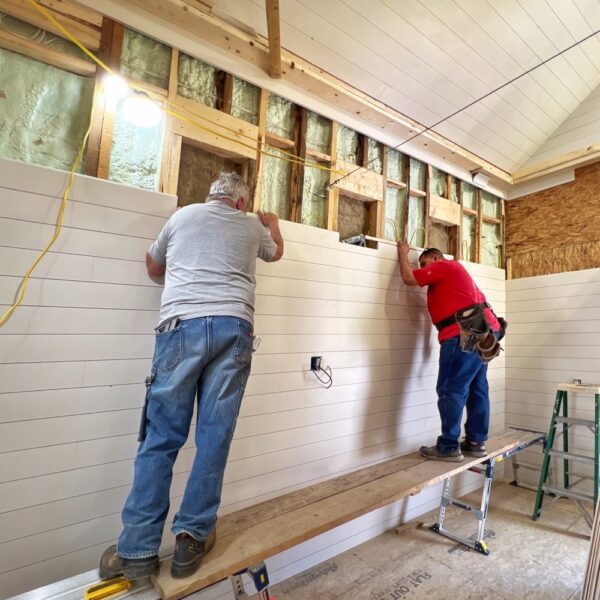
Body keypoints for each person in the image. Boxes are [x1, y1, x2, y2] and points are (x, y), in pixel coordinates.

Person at [99, 172, 284, 580]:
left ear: (211, 195)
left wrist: (186, 273)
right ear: (240, 202)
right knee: (214, 437)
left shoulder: (182, 217)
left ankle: (137, 551)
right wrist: (271, 221)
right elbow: (276, 253)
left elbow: (153, 267)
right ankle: (192, 540)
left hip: (180, 327)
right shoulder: (252, 224)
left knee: (161, 438)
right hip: (234, 329)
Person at [397, 242, 500, 463]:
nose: (423, 271)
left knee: (450, 389)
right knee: (476, 387)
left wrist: (402, 254)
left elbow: (408, 278)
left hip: (465, 331)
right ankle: (475, 442)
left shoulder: (445, 266)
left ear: (435, 258)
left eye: (424, 264)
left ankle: (448, 446)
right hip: (485, 331)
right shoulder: (457, 279)